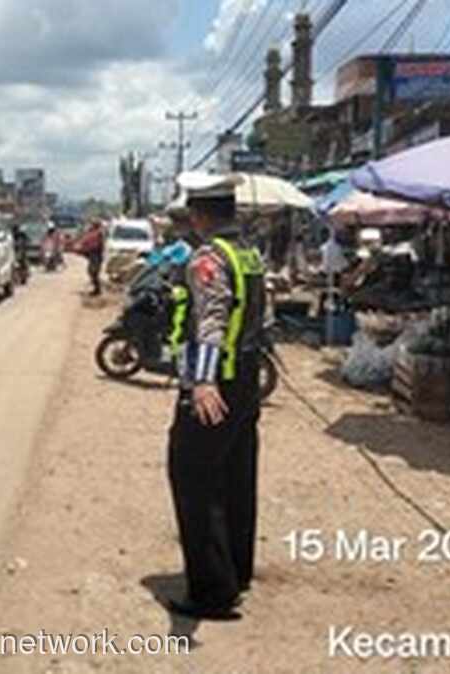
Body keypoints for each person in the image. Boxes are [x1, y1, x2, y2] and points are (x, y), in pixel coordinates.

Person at [163, 173, 266, 621]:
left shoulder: (208, 257)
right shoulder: (249, 254)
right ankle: (236, 570)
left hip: (217, 383)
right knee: (235, 476)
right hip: (246, 378)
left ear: (200, 215)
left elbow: (211, 318)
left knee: (194, 477)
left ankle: (212, 592)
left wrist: (202, 382)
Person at [76, 219, 105, 295]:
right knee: (91, 271)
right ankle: (97, 289)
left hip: (96, 255)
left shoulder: (99, 233)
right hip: (92, 254)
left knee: (93, 272)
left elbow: (98, 245)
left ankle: (97, 289)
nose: (91, 225)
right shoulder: (91, 232)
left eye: (93, 224)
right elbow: (85, 240)